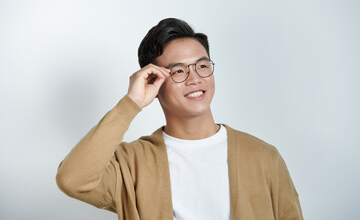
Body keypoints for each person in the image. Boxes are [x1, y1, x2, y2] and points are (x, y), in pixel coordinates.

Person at [56, 18, 303, 220]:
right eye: (179, 71)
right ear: (154, 81)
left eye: (202, 66)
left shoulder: (264, 158)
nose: (195, 79)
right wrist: (131, 104)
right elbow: (72, 179)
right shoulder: (132, 165)